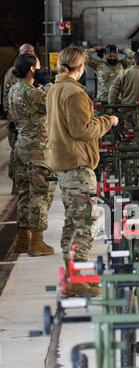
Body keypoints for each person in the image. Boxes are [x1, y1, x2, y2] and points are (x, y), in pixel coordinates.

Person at [46, 46, 119, 297]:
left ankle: (74, 276)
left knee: (72, 223)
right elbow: (83, 130)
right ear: (82, 66)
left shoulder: (55, 89)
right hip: (78, 167)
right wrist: (108, 121)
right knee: (86, 223)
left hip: (65, 164)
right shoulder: (74, 93)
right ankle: (74, 278)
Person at [8, 53, 56, 256]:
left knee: (24, 193)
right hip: (37, 149)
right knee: (41, 194)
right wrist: (48, 84)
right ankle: (37, 242)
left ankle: (22, 239)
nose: (42, 68)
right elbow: (52, 104)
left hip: (20, 147)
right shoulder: (33, 92)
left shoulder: (13, 89)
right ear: (31, 70)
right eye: (38, 66)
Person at [3, 43, 35, 194]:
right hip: (16, 120)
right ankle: (17, 183)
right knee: (16, 151)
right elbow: (7, 96)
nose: (29, 53)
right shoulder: (12, 73)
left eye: (31, 51)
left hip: (31, 121)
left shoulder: (35, 70)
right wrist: (11, 118)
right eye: (25, 52)